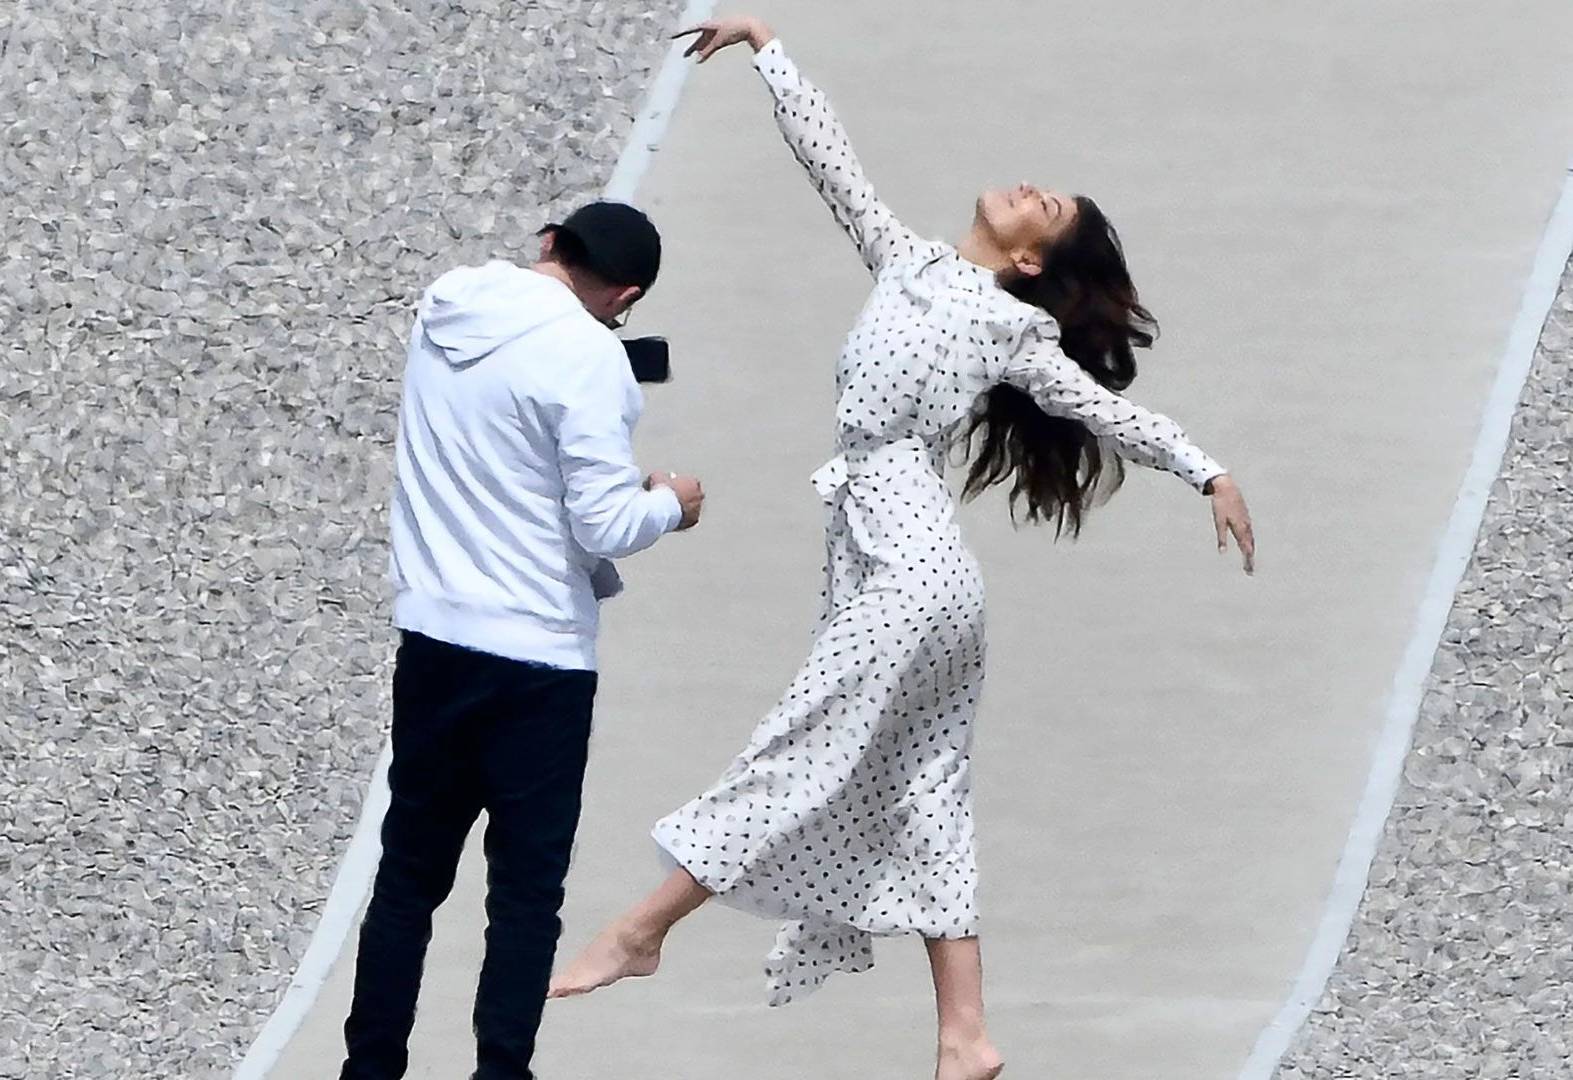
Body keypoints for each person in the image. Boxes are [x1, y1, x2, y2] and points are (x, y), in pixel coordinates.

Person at [547, 16, 1256, 1080]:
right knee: (926, 789)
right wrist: (770, 50)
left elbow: (1100, 408)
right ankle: (965, 1034)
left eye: (1046, 207)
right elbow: (831, 163)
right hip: (897, 561)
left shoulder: (1011, 327)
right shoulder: (909, 259)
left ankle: (643, 929)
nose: (1028, 186)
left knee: (805, 748)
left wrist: (1207, 469)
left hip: (911, 571)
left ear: (1028, 259)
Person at [341, 201, 704, 1080]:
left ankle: (368, 1069)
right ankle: (501, 1070)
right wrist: (671, 503)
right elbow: (606, 523)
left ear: (548, 243)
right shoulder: (590, 358)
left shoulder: (445, 306)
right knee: (524, 895)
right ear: (626, 296)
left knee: (407, 879)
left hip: (434, 638)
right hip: (539, 658)